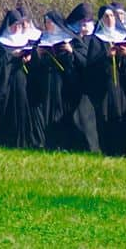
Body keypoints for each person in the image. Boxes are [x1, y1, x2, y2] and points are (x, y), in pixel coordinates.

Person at [85, 5, 126, 157]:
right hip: (107, 87)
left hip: (125, 83)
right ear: (101, 20)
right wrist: (106, 56)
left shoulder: (124, 35)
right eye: (106, 17)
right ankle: (111, 149)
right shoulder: (96, 39)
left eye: (112, 16)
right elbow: (91, 67)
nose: (110, 19)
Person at [0, 9, 42, 149]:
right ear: (8, 25)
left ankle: (21, 141)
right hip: (5, 84)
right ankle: (3, 140)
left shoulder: (25, 40)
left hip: (21, 79)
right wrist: (11, 57)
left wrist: (28, 57)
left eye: (20, 24)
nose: (17, 27)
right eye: (15, 24)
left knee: (22, 106)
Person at [30, 10, 84, 151]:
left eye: (50, 22)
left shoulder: (71, 39)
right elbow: (33, 65)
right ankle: (51, 144)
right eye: (46, 22)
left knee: (65, 112)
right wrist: (37, 54)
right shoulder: (41, 40)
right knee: (48, 111)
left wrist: (71, 51)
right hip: (48, 83)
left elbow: (84, 60)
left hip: (66, 83)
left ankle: (67, 144)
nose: (47, 25)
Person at [57, 3, 100, 152]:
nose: (84, 25)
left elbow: (89, 60)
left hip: (89, 85)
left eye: (87, 22)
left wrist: (73, 52)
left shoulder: (94, 39)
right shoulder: (72, 39)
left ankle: (91, 147)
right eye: (82, 22)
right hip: (73, 84)